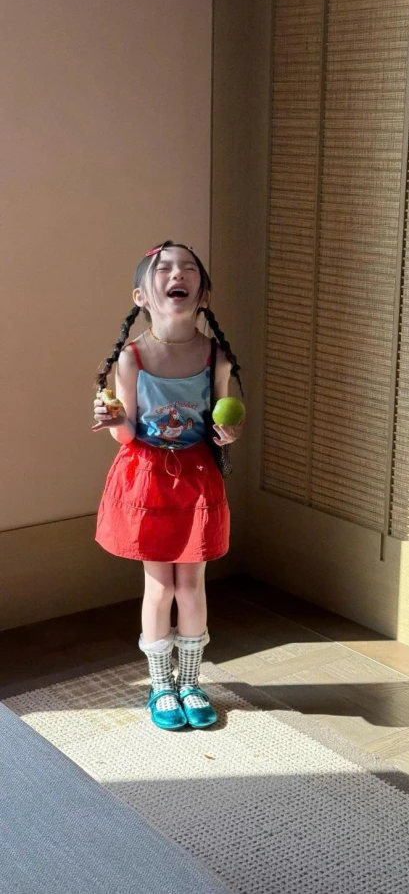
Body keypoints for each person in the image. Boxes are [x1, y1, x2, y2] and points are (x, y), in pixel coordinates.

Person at [93, 240, 243, 731]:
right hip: (148, 479)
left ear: (203, 294)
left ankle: (192, 682)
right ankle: (161, 685)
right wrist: (112, 418)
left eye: (188, 268)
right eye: (164, 268)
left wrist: (230, 431)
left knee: (191, 584)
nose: (177, 273)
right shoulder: (132, 358)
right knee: (159, 586)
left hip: (197, 479)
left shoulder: (215, 357)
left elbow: (224, 417)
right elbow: (127, 435)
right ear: (141, 296)